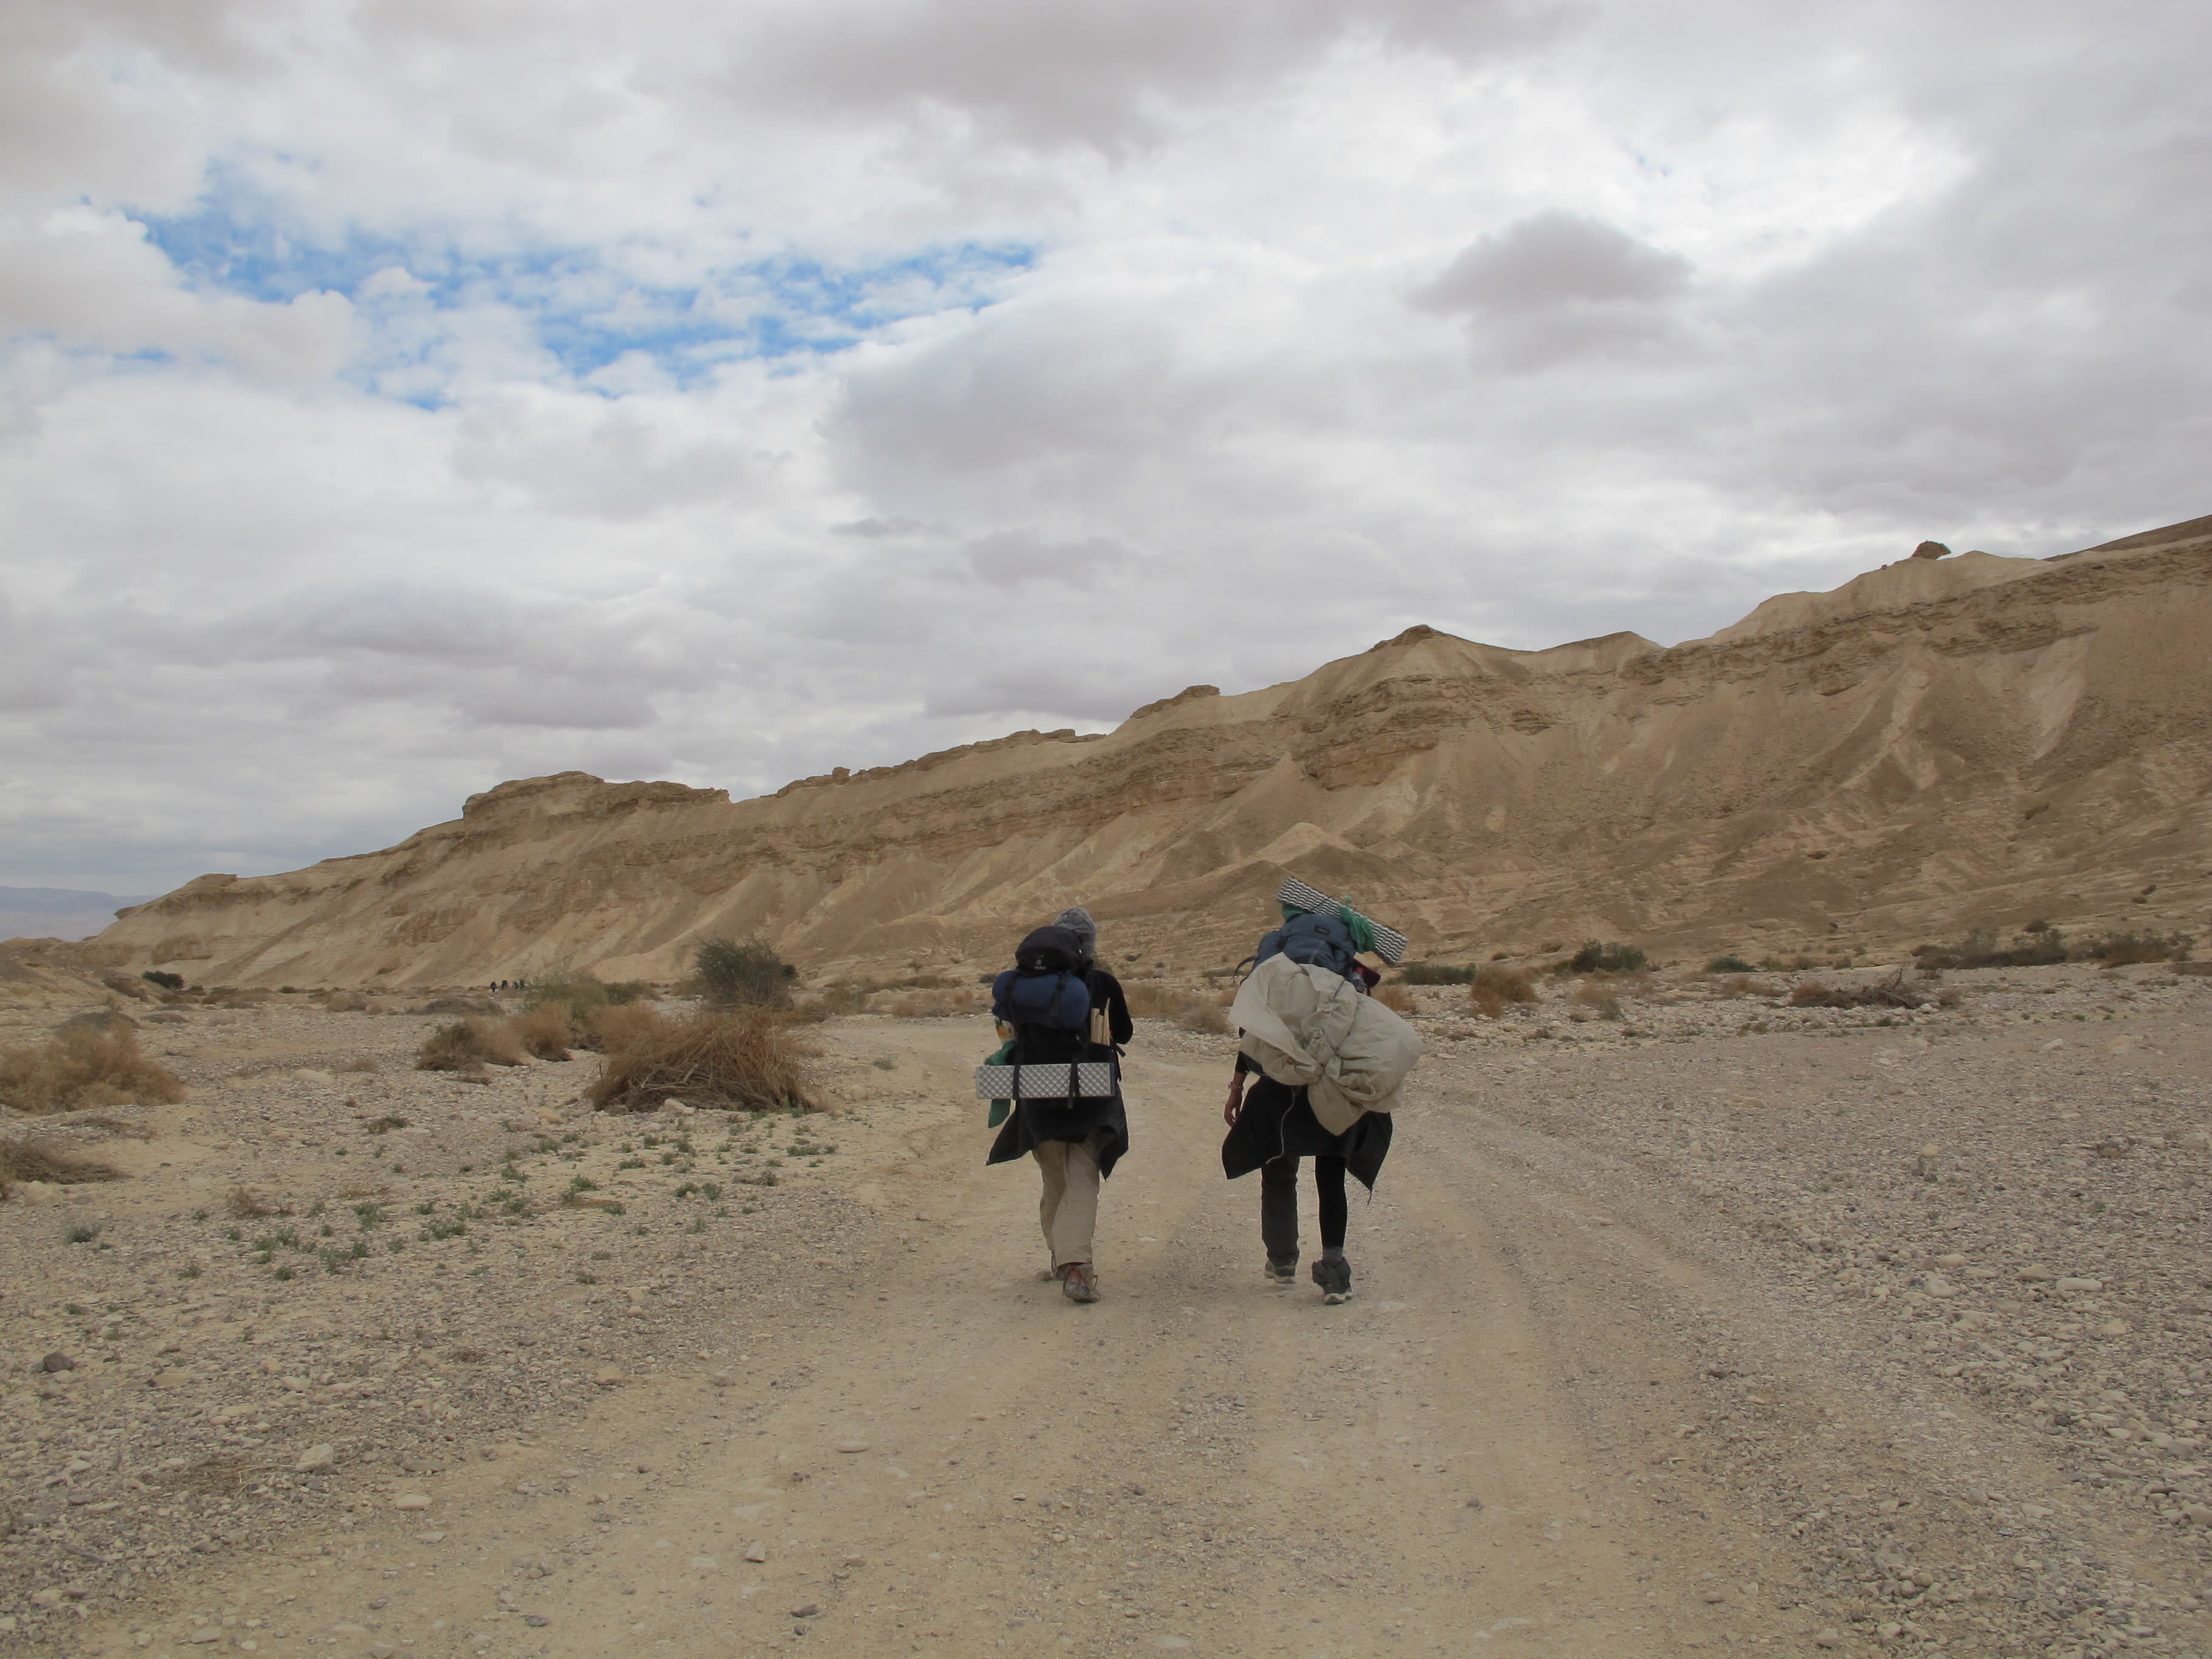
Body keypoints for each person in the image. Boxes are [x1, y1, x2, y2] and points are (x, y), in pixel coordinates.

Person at [1219, 890, 1404, 1305]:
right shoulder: (1348, 972)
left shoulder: (1276, 961)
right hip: (1332, 1086)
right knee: (1331, 1173)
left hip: (1281, 1084)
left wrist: (1237, 1083)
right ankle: (1335, 1273)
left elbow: (1253, 1030)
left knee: (1278, 1166)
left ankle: (1283, 1260)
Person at [985, 907, 1133, 1303]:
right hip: (1091, 1094)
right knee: (1082, 1177)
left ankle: (1059, 1255)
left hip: (1036, 1095)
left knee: (1054, 1178)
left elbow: (1006, 1033)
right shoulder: (1102, 983)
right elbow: (1128, 1034)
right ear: (1088, 945)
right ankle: (1077, 1270)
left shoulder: (1021, 986)